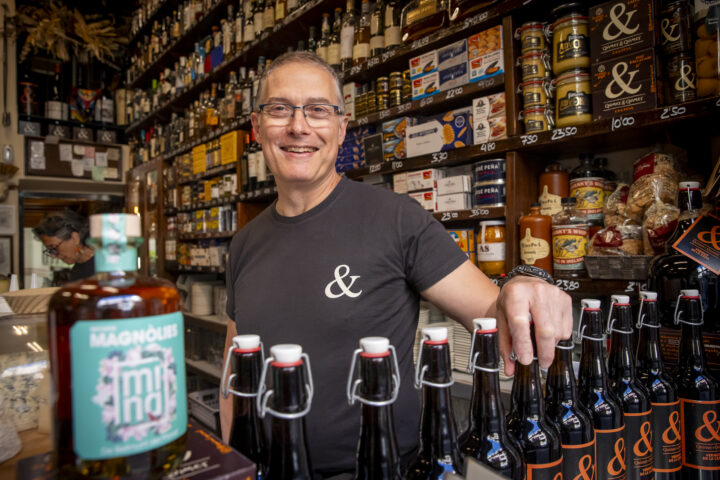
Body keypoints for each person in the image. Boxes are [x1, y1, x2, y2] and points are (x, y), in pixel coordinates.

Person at [221, 51, 573, 477]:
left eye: (318, 110)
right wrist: (232, 466)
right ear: (257, 127)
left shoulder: (396, 219)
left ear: (341, 127)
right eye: (280, 109)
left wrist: (525, 281)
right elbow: (234, 374)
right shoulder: (244, 244)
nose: (299, 126)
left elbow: (492, 313)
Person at [33, 210, 95, 282]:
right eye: (50, 251)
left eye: (54, 248)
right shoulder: (76, 272)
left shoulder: (103, 265)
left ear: (75, 238)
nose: (53, 256)